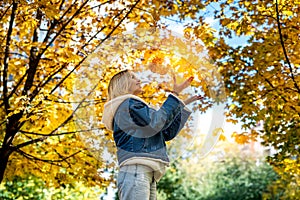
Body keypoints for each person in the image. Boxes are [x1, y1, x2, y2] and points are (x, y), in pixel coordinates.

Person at [102, 69, 202, 200]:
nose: (138, 80)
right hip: (137, 169)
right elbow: (156, 122)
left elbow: (166, 133)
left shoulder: (134, 107)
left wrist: (181, 105)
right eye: (132, 77)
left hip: (146, 171)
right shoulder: (128, 104)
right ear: (122, 84)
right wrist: (175, 94)